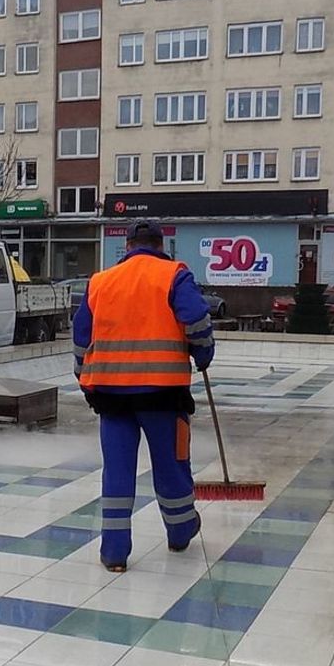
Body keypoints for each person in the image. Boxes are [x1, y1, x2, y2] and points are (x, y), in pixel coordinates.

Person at [73, 221, 214, 573]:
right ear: (160, 245)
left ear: (128, 246)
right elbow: (196, 319)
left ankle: (114, 553)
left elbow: (81, 333)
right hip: (163, 394)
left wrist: (82, 374)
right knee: (171, 467)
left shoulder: (101, 281)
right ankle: (180, 531)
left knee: (117, 472)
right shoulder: (174, 275)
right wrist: (203, 353)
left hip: (111, 397)